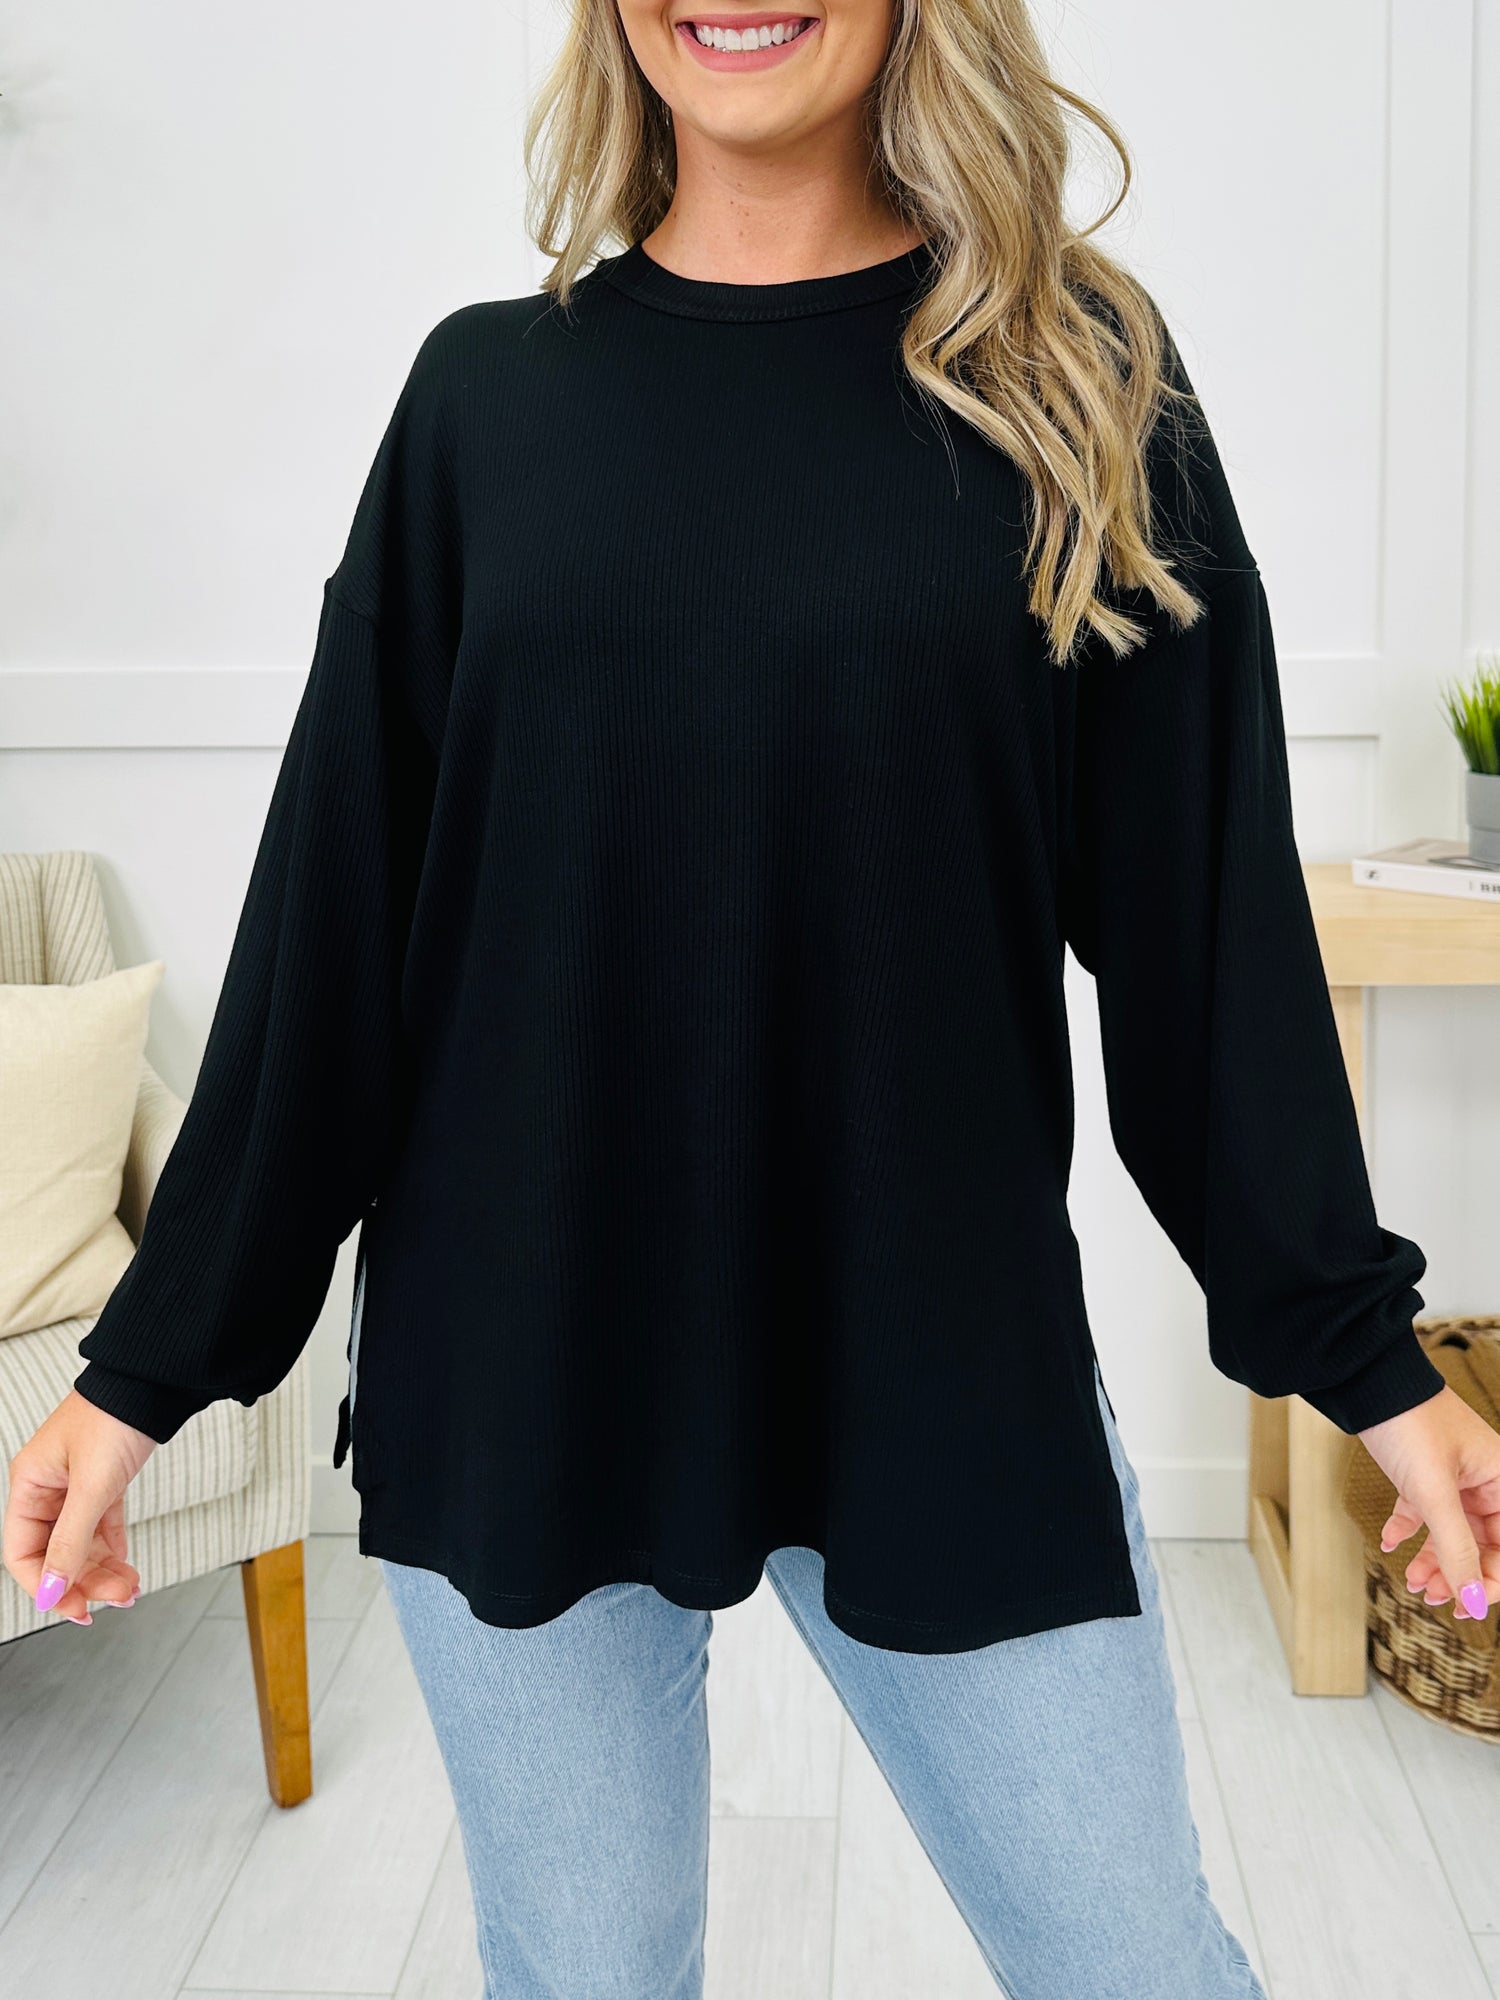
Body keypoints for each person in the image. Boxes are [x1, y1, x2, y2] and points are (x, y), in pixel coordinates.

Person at [7, 1, 1499, 1994]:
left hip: (928, 1352)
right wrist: (146, 1368)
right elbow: (333, 935)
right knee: (586, 1973)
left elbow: (1203, 938)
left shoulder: (1082, 390)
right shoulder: (484, 403)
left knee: (1133, 1960)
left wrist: (1365, 1354)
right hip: (524, 1347)